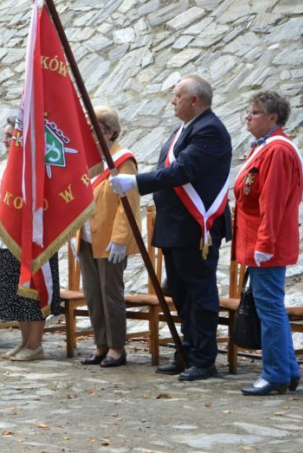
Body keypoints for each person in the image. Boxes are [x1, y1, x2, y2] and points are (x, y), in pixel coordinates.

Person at [110, 75, 231, 381]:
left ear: (195, 100)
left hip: (195, 226)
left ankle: (204, 359)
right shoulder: (184, 130)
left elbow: (184, 171)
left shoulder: (210, 131)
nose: (173, 102)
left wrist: (136, 182)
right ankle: (187, 353)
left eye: (178, 96)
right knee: (181, 293)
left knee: (199, 295)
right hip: (176, 226)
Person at [234, 91, 303, 396]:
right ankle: (287, 370)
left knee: (269, 309)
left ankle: (275, 373)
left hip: (266, 244)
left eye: (254, 112)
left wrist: (265, 242)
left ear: (272, 118)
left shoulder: (276, 150)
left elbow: (272, 201)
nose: (247, 117)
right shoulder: (265, 147)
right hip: (260, 241)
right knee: (270, 306)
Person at [0, 115, 61, 362]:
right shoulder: (5, 166)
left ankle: (36, 344)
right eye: (6, 135)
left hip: (33, 240)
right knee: (15, 293)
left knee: (33, 292)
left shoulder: (34, 165)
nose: (6, 140)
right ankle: (24, 341)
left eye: (10, 136)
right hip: (8, 237)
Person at [78, 107, 141, 368]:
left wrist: (120, 238)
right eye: (90, 128)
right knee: (93, 293)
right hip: (87, 236)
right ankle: (100, 343)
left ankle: (116, 346)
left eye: (98, 129)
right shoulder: (91, 160)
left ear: (112, 131)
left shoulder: (123, 159)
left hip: (109, 238)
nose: (92, 133)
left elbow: (128, 202)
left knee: (110, 294)